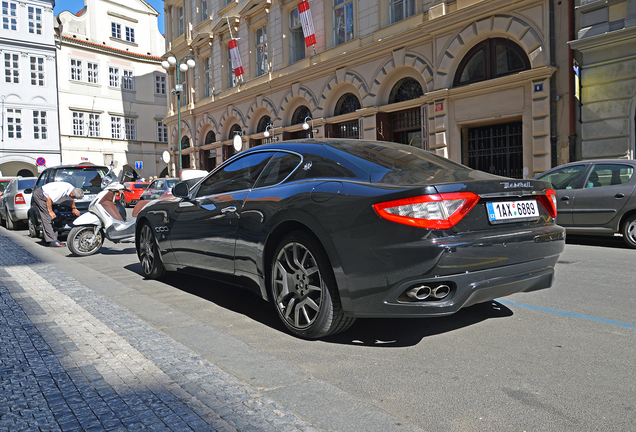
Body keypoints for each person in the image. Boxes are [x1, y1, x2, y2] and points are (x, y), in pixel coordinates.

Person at [32, 182, 84, 247]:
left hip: (50, 198)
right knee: (47, 217)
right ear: (73, 195)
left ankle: (47, 238)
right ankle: (52, 241)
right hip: (41, 196)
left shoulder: (72, 189)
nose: (74, 199)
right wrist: (50, 211)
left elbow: (71, 199)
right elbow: (49, 199)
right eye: (75, 198)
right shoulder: (62, 190)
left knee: (55, 216)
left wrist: (73, 208)